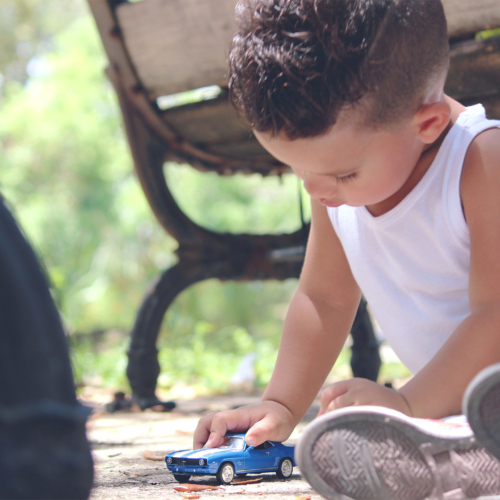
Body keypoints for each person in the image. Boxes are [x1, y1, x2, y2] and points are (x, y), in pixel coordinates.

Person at [193, 0, 500, 494]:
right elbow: (325, 298)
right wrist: (281, 405)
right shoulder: (336, 185)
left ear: (428, 124)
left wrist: (407, 406)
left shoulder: (482, 161)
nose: (316, 191)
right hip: (469, 406)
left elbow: (495, 315)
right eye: (298, 171)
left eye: (341, 173)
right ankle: (460, 459)